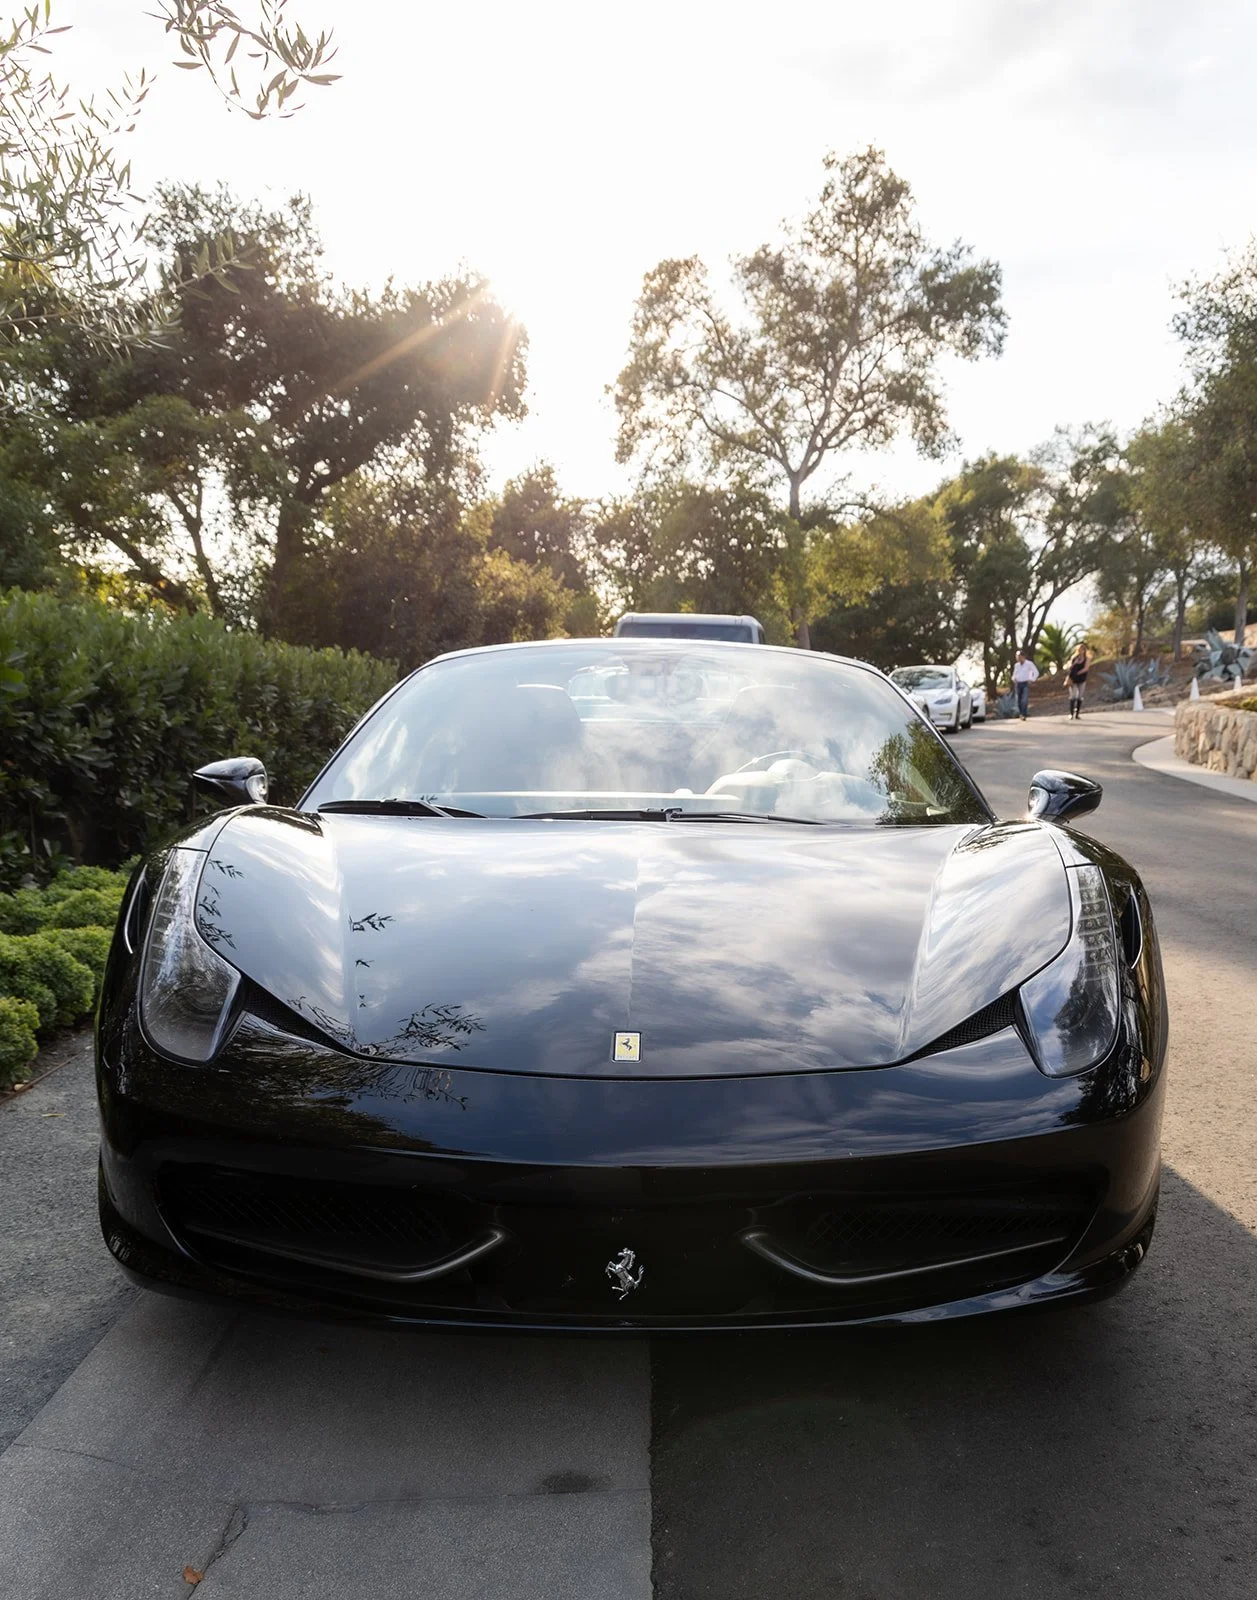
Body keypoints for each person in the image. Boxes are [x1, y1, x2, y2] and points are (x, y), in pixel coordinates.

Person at [1011, 650, 1038, 720]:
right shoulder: (1016, 665)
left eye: (1019, 656)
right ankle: (1021, 713)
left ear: (1023, 656)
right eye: (1017, 657)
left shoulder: (1029, 664)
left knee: (1025, 700)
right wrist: (1014, 679)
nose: (1018, 658)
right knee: (1018, 700)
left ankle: (1024, 714)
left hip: (1025, 683)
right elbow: (1014, 674)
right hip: (1018, 683)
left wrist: (1032, 679)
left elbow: (1036, 672)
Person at [1066, 643, 1090, 720]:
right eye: (1079, 650)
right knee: (1072, 696)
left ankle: (1077, 714)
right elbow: (1069, 667)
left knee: (1080, 696)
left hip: (1082, 679)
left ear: (1084, 650)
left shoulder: (1087, 658)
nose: (1081, 651)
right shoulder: (1073, 658)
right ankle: (1071, 713)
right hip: (1073, 679)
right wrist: (1074, 663)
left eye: (1082, 650)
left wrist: (1078, 673)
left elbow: (1086, 668)